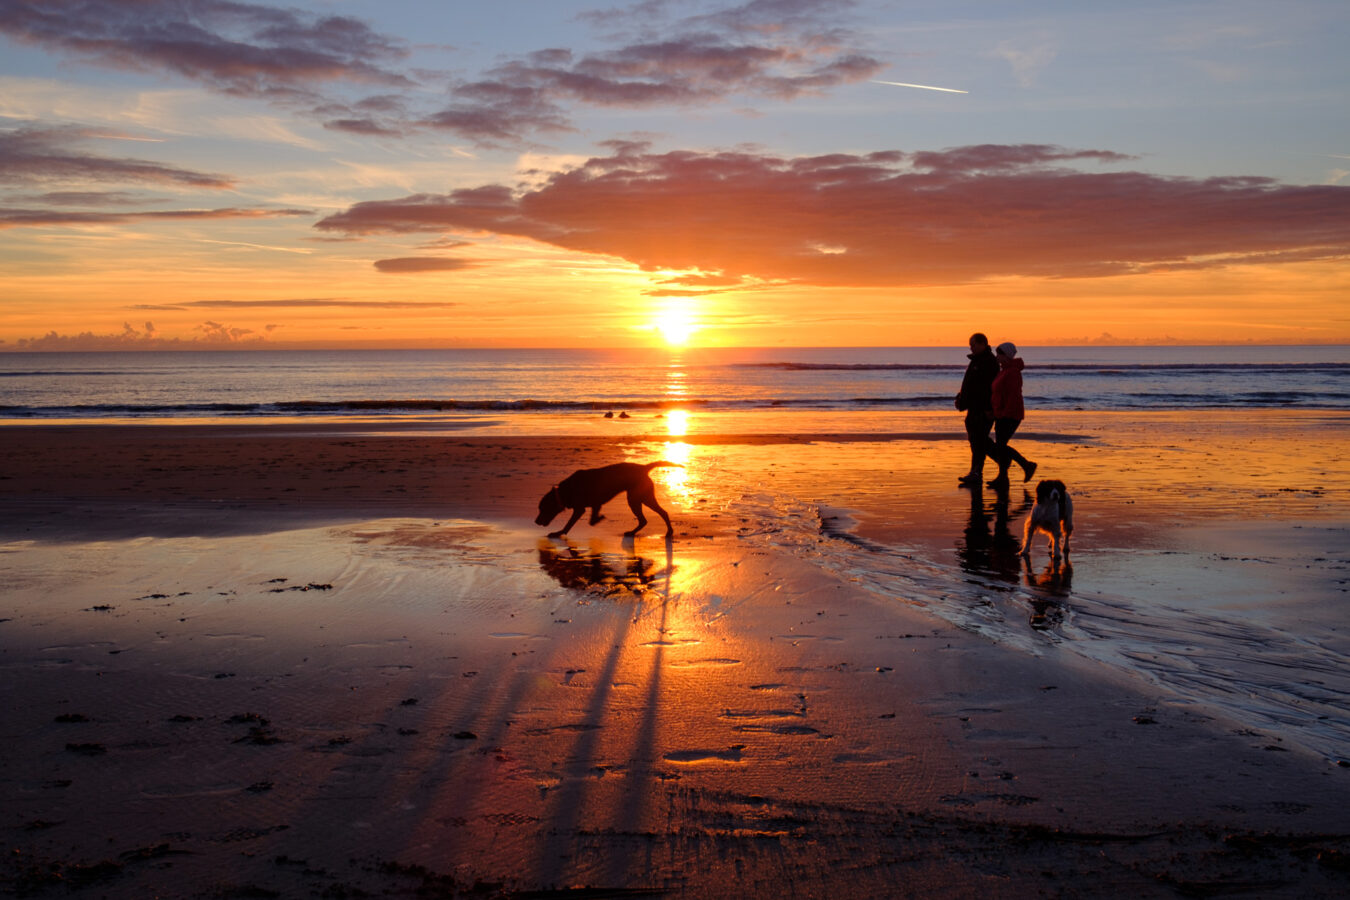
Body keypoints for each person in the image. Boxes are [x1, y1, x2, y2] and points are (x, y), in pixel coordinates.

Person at [986, 341, 1037, 486]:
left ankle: (1026, 465)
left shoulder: (1012, 372)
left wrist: (1003, 414)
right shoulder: (1004, 371)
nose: (997, 357)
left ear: (1006, 356)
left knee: (1001, 445)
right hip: (1002, 413)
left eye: (999, 355)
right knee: (1000, 445)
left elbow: (1013, 396)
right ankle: (1003, 477)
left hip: (1010, 415)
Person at [954, 332, 999, 486]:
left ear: (982, 344)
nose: (971, 347)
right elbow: (969, 384)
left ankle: (982, 469)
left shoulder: (989, 362)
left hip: (982, 409)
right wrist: (960, 398)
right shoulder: (977, 360)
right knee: (976, 441)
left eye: (973, 344)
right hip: (973, 407)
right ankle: (976, 471)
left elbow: (988, 388)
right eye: (970, 345)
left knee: (979, 441)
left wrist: (988, 408)